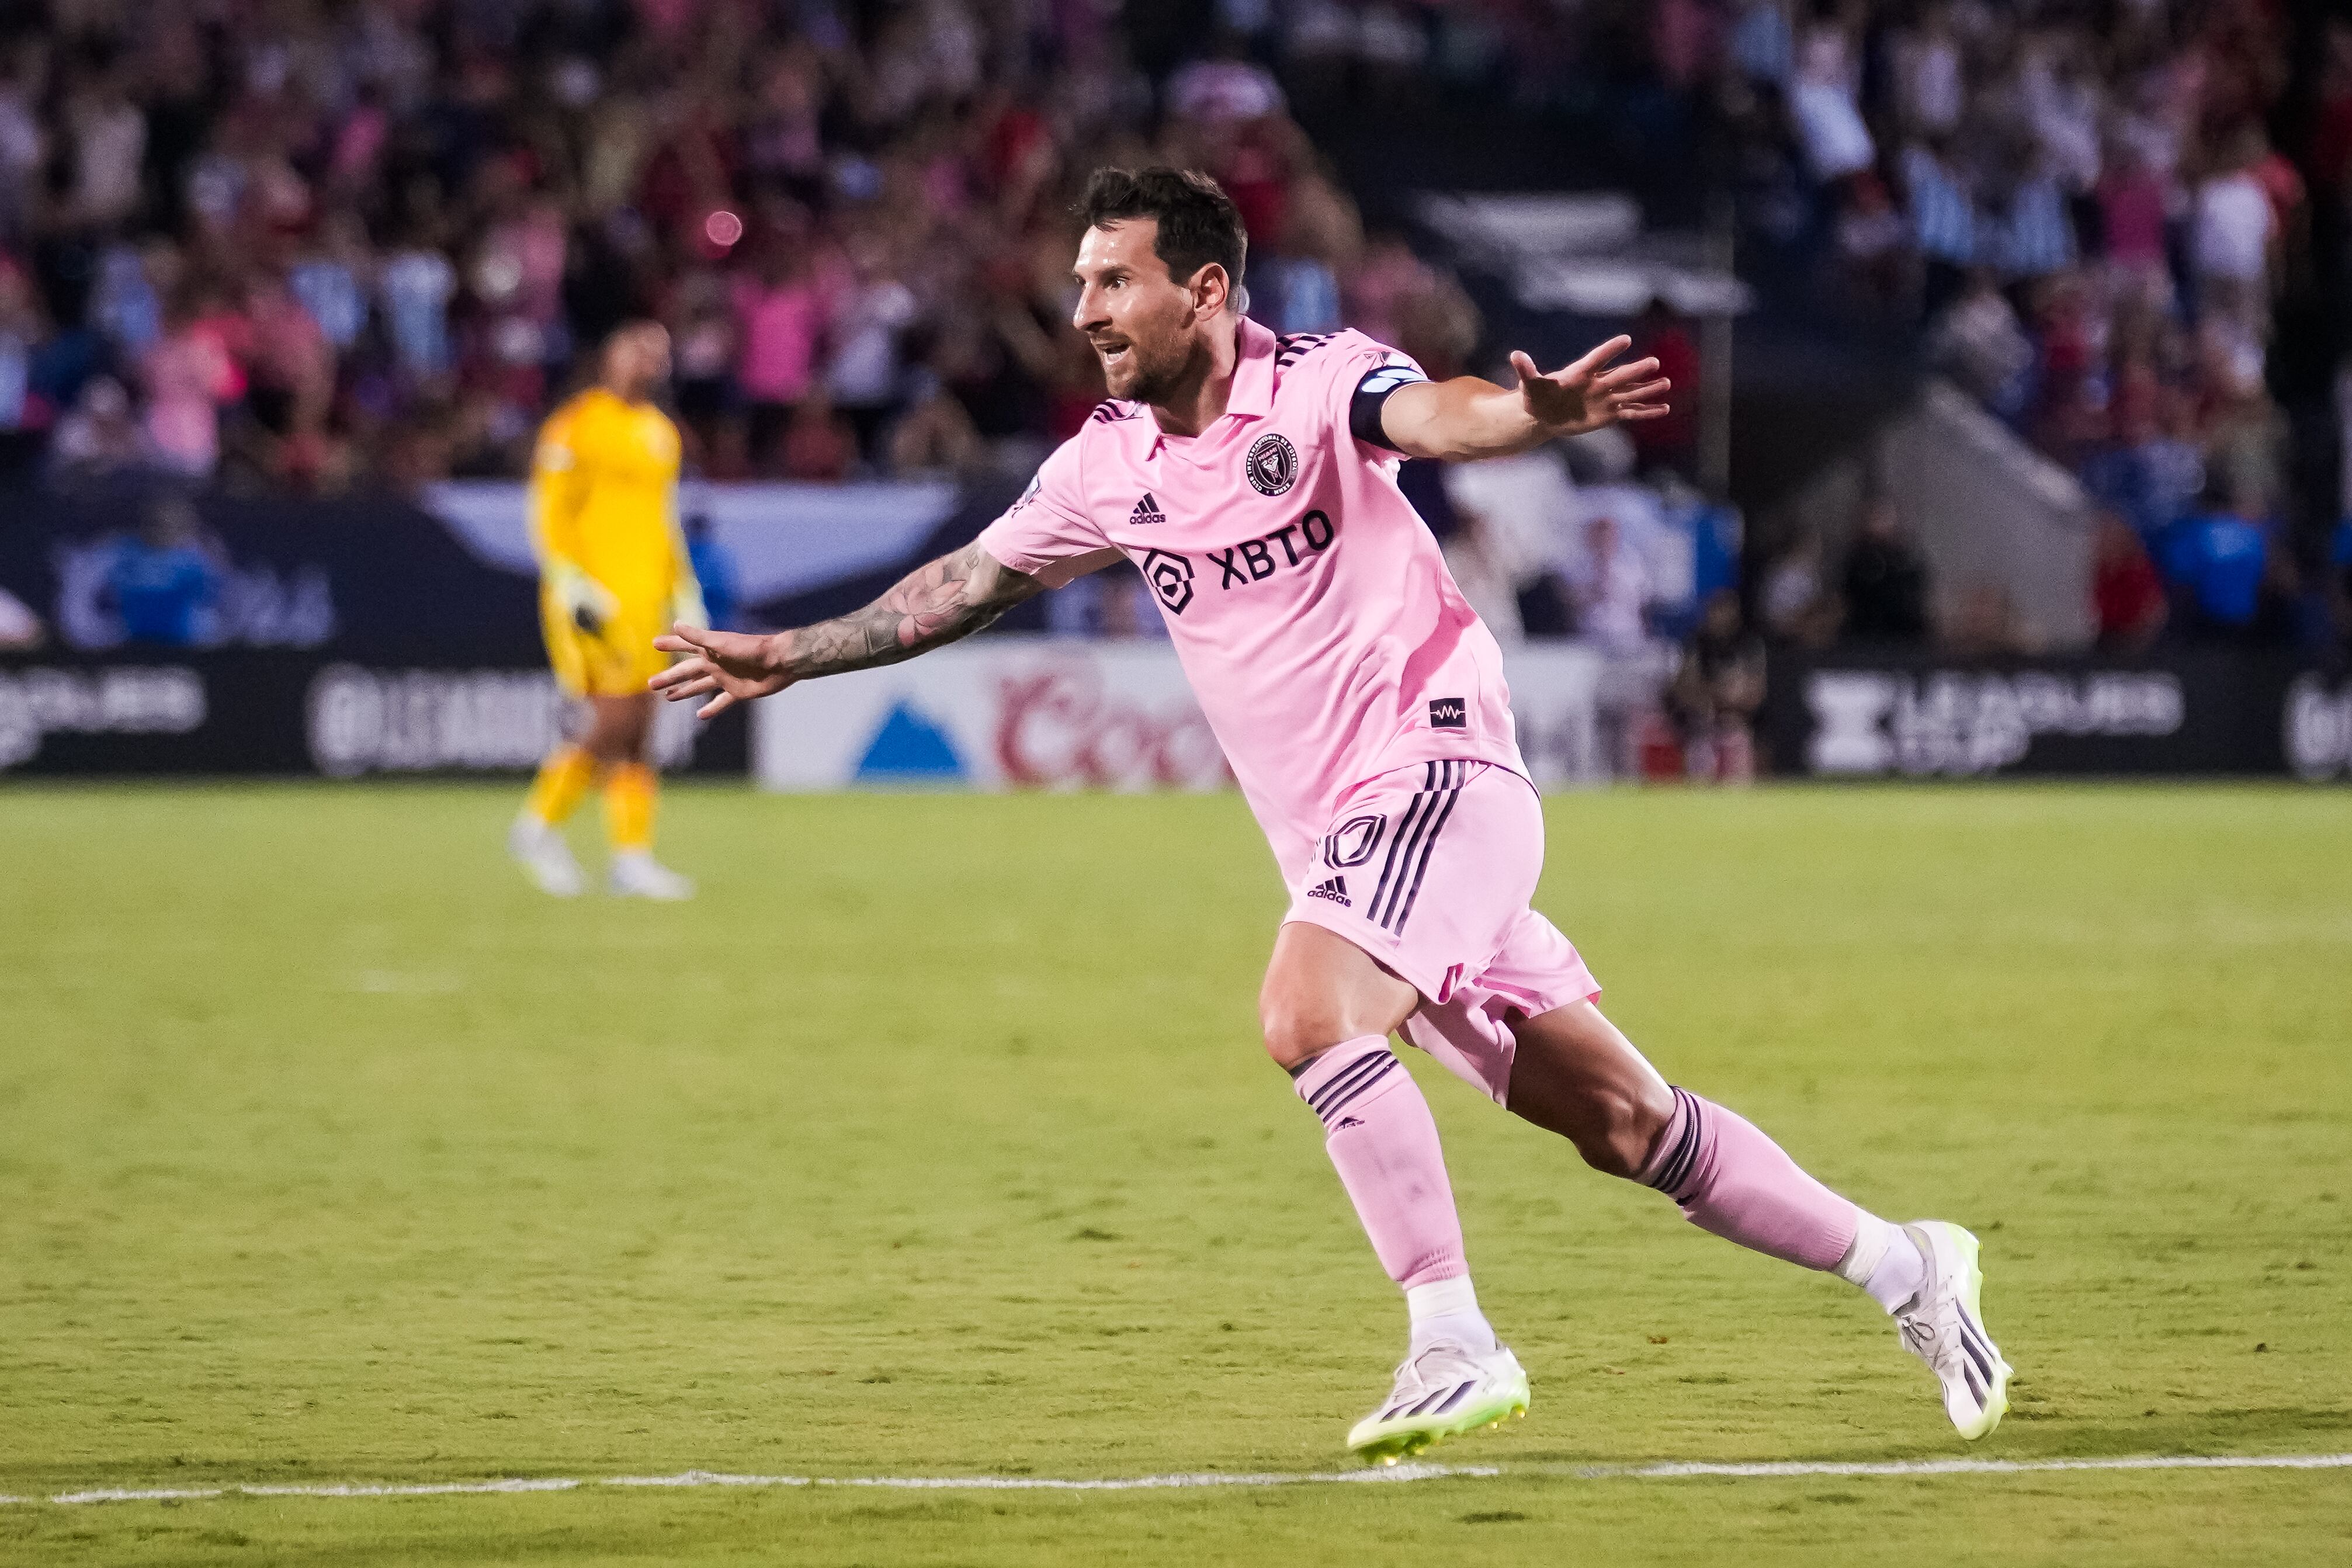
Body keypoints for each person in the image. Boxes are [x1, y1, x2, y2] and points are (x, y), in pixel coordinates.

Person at [654, 168, 2008, 1462]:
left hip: (1437, 777)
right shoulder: (1105, 464)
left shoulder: (1315, 383)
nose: (1084, 314)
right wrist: (793, 653)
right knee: (1628, 1126)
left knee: (1305, 1010)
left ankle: (1454, 1338)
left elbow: (1435, 417)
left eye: (1112, 282)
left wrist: (1528, 418)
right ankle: (1909, 1264)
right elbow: (960, 583)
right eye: (1079, 284)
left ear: (1203, 289)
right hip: (1364, 854)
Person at [510, 321, 705, 900]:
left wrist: (684, 588)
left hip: (647, 597)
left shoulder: (660, 433)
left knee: (641, 728)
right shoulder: (576, 424)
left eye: (658, 354)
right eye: (636, 349)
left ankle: (631, 856)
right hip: (595, 599)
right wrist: (568, 579)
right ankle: (537, 824)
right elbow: (550, 510)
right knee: (615, 717)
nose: (647, 361)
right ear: (609, 356)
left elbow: (664, 520)